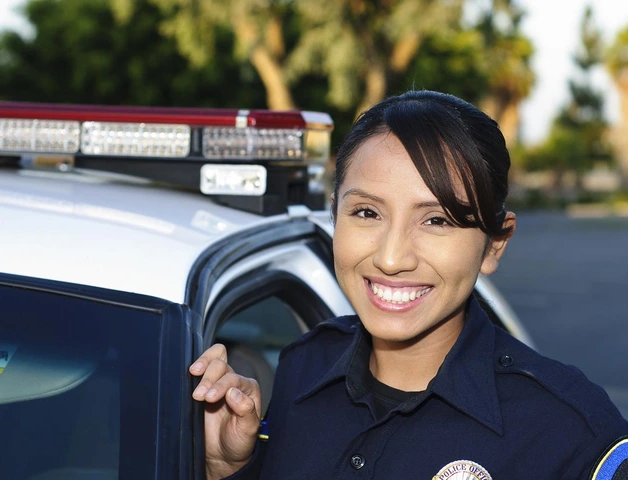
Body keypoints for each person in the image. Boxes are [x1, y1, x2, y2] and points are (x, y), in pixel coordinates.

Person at [189, 90, 628, 480]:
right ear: (334, 215)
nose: (391, 258)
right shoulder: (302, 368)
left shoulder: (569, 434)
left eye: (436, 220)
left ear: (495, 244)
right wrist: (228, 470)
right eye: (366, 213)